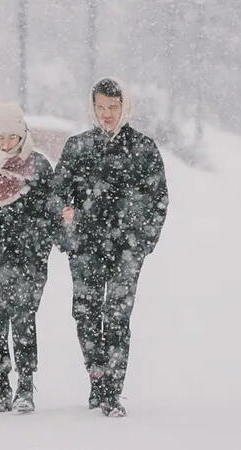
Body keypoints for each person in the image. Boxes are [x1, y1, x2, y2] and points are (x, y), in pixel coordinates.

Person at [52, 77, 169, 417]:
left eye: (113, 107)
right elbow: (58, 192)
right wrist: (66, 217)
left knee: (117, 316)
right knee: (86, 314)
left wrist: (142, 243)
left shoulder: (143, 148)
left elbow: (158, 199)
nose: (106, 114)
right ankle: (97, 377)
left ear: (124, 108)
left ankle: (112, 392)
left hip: (126, 249)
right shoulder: (77, 147)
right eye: (101, 107)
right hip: (85, 246)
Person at [0, 102, 55, 413]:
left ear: (23, 135)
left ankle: (26, 386)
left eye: (12, 137)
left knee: (24, 322)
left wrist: (38, 249)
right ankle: (1, 387)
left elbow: (51, 214)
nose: (6, 144)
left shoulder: (38, 167)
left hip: (27, 261)